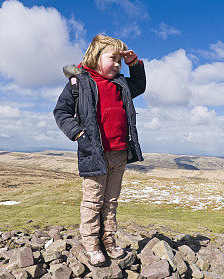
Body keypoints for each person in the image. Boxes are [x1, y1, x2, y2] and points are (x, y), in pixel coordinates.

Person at [53, 34, 146, 266]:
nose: (117, 64)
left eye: (119, 61)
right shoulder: (79, 83)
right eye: (112, 58)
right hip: (94, 153)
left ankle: (109, 240)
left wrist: (135, 64)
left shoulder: (121, 83)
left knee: (111, 201)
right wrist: (78, 134)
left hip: (119, 153)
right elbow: (61, 112)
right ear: (95, 56)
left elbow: (140, 86)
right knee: (93, 202)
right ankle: (91, 244)